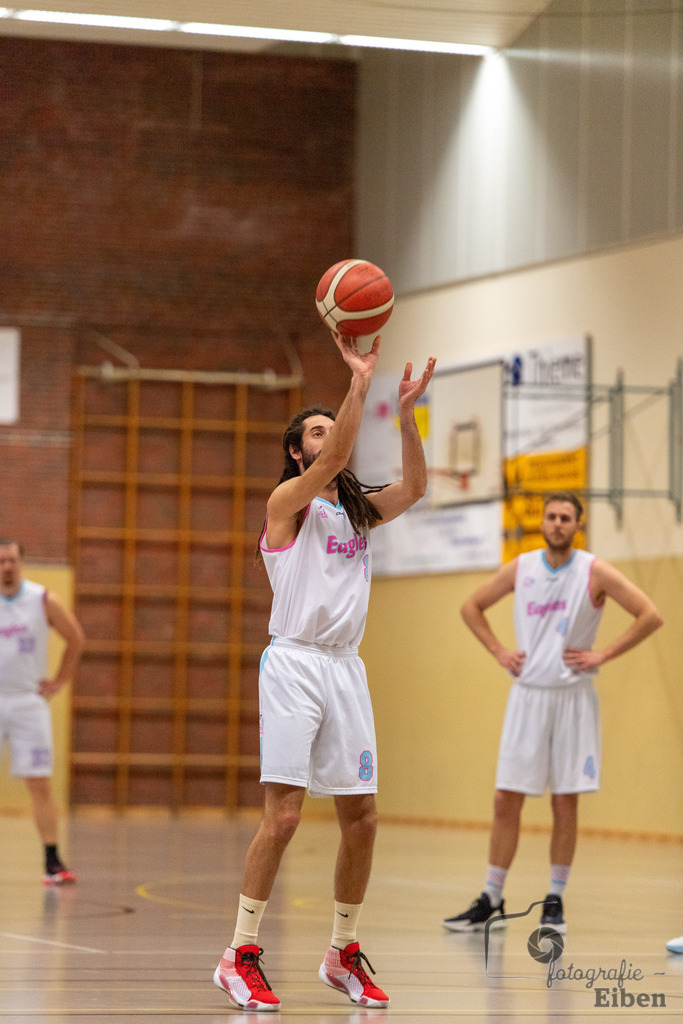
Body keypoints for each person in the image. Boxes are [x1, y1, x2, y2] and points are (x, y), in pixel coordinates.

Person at [212, 331, 436, 1011]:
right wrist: (358, 382)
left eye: (327, 426)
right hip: (294, 664)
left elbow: (417, 487)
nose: (327, 436)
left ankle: (342, 951)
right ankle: (238, 953)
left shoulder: (357, 515)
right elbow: (340, 451)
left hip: (346, 669)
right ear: (296, 451)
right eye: (314, 430)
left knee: (361, 817)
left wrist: (404, 416)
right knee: (282, 818)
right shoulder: (287, 507)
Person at [443, 492, 662, 935]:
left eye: (565, 517)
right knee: (506, 798)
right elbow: (471, 607)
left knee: (565, 801)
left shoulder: (593, 570)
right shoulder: (522, 568)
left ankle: (555, 899)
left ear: (577, 525)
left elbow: (649, 615)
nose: (557, 523)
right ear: (542, 522)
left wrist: (604, 653)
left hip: (573, 698)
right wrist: (499, 651)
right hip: (527, 696)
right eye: (551, 516)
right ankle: (492, 897)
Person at [0, 539, 85, 884]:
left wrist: (60, 680)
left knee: (39, 782)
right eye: (1, 561)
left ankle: (52, 861)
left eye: (11, 560)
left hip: (27, 701)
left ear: (22, 563)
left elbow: (76, 638)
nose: (6, 566)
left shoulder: (43, 599)